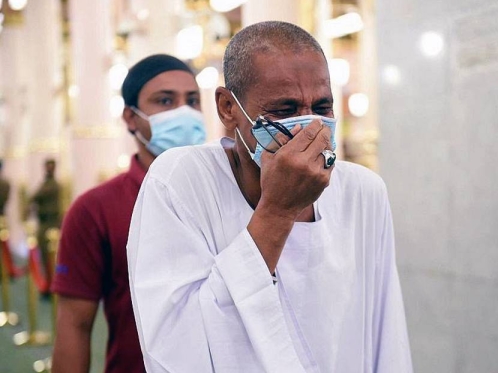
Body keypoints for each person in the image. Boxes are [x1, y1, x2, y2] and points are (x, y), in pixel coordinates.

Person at [127, 21, 413, 373]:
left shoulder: (362, 191)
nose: (309, 128)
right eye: (284, 110)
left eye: (322, 107)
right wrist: (277, 209)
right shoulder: (180, 182)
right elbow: (177, 350)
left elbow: (387, 336)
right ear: (228, 108)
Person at [51, 54, 207, 373]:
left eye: (192, 101)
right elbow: (75, 326)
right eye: (165, 100)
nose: (184, 112)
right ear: (131, 118)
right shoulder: (95, 209)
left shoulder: (229, 191)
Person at [31, 158, 61, 282]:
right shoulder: (45, 183)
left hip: (51, 223)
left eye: (51, 166)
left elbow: (36, 196)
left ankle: (53, 282)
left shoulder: (53, 185)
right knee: (43, 256)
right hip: (43, 222)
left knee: (52, 257)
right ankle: (47, 282)